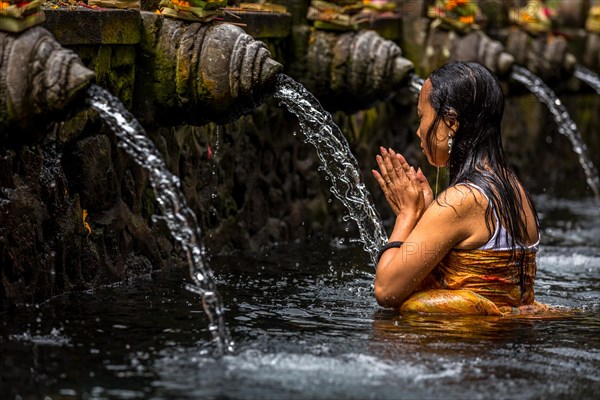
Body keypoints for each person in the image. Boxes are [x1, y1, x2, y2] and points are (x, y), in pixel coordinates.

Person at [371, 61, 545, 315]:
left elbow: (386, 290)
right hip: (502, 345)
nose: (419, 131)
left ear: (451, 122)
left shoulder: (461, 200)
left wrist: (407, 215)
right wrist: (430, 212)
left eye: (423, 117)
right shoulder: (513, 188)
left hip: (462, 346)